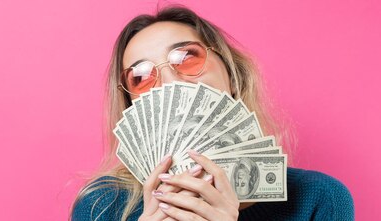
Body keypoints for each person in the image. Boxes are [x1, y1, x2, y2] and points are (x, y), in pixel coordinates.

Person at [70, 5, 354, 221]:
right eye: (141, 76)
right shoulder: (101, 205)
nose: (171, 82)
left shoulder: (319, 198)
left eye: (186, 57)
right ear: (132, 107)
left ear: (231, 74)